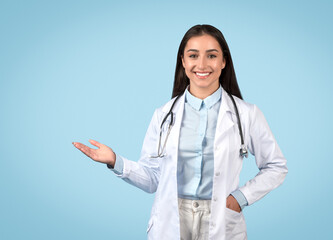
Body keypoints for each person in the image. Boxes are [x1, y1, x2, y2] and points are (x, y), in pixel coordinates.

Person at [73, 24, 288, 240]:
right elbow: (153, 179)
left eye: (211, 56)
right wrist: (114, 161)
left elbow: (276, 166)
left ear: (224, 61)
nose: (202, 64)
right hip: (171, 219)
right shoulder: (164, 114)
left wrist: (240, 198)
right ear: (183, 61)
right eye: (193, 55)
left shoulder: (247, 114)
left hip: (222, 218)